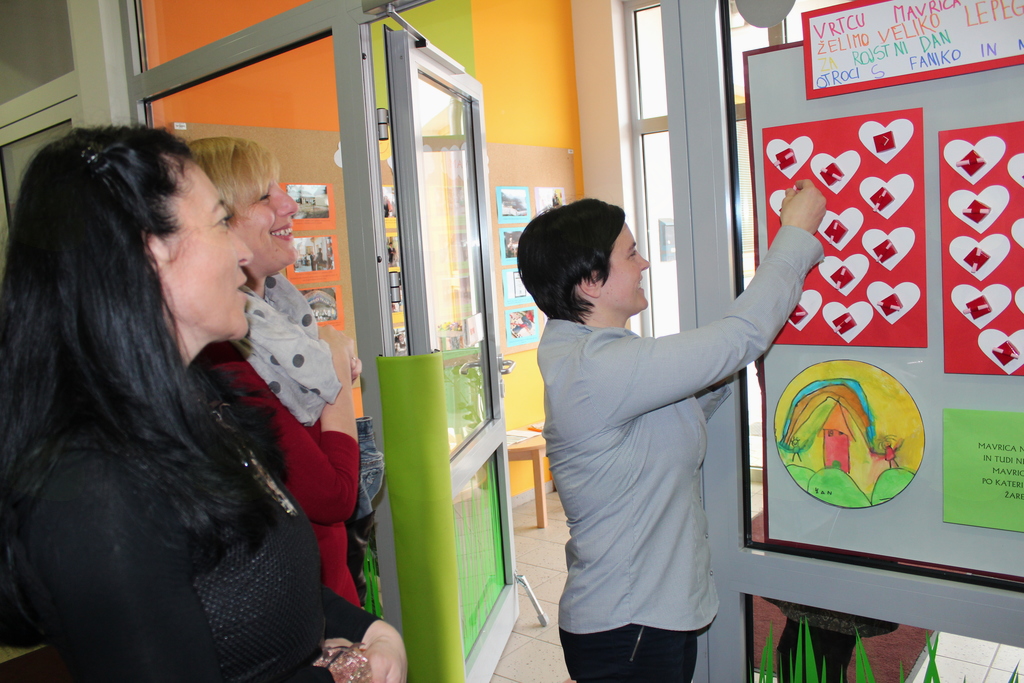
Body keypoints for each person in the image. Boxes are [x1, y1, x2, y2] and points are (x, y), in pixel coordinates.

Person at [0, 126, 405, 683]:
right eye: (219, 222)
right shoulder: (96, 487)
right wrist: (345, 675)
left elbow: (261, 578)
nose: (241, 252)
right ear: (150, 254)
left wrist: (367, 630)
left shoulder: (198, 402)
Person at [516, 181, 826, 683]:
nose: (643, 264)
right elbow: (739, 336)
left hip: (644, 621)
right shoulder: (596, 368)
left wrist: (721, 368)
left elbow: (669, 415)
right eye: (630, 253)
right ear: (591, 282)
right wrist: (795, 234)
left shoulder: (598, 359)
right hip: (627, 628)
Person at [189, 136, 373, 607]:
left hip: (327, 588)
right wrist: (337, 376)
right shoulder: (222, 350)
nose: (290, 204)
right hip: (297, 604)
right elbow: (333, 495)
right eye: (263, 196)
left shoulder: (282, 318)